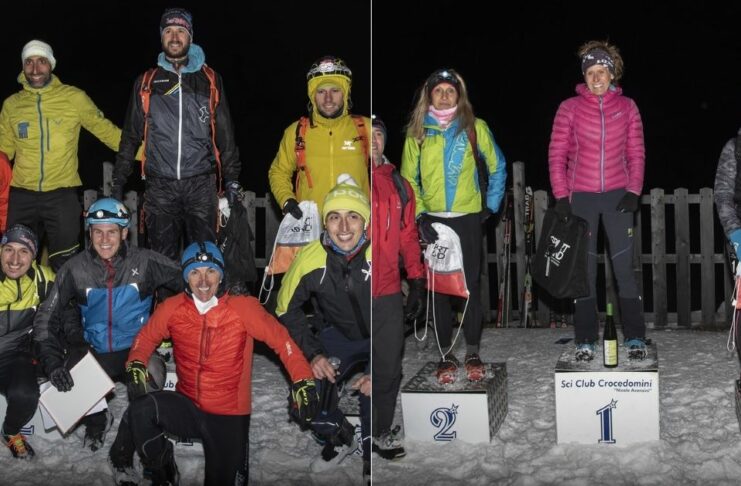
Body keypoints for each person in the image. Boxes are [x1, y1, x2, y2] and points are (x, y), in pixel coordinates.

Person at [123, 241, 317, 485]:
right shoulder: (172, 308)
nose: (203, 281)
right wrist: (135, 362)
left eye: (211, 272)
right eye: (195, 272)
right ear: (185, 277)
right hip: (187, 406)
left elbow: (282, 340)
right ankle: (163, 470)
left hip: (228, 415)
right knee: (141, 410)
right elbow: (145, 337)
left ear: (222, 275)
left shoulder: (243, 308)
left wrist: (303, 379)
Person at [32, 198, 182, 476]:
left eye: (111, 231)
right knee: (68, 384)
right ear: (89, 233)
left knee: (146, 387)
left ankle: (130, 451)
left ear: (124, 232)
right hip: (95, 349)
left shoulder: (145, 262)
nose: (104, 239)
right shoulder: (74, 269)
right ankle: (98, 419)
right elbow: (45, 319)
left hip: (138, 349)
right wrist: (53, 364)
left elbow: (192, 280)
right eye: (97, 231)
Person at [400, 68, 507, 384]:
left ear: (459, 96)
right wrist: (419, 215)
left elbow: (498, 166)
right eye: (438, 91)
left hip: (467, 218)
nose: (445, 96)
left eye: (450, 90)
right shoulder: (418, 133)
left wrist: (490, 206)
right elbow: (408, 180)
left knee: (469, 286)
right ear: (429, 96)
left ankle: (472, 351)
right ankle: (445, 354)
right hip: (433, 220)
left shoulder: (475, 127)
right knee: (438, 290)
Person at [112, 8, 243, 262]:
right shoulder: (146, 82)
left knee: (204, 259)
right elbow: (130, 136)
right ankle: (165, 290)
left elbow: (226, 135)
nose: (174, 37)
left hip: (201, 185)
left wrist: (232, 180)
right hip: (160, 187)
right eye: (168, 31)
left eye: (180, 31)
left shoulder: (210, 80)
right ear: (161, 37)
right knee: (162, 261)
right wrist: (118, 182)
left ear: (190, 37)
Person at [548, 40, 646, 361]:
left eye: (601, 71)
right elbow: (556, 155)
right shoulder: (569, 108)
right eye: (590, 72)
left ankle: (635, 336)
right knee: (584, 273)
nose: (596, 78)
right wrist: (561, 197)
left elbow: (636, 152)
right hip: (582, 199)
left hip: (619, 197)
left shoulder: (627, 107)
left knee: (623, 269)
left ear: (612, 73)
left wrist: (634, 191)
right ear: (584, 77)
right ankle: (586, 339)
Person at [276, 175, 371, 475]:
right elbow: (284, 309)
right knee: (304, 401)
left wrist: (381, 369)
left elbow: (398, 312)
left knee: (374, 394)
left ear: (365, 221)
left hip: (382, 336)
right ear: (325, 223)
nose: (343, 227)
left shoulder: (381, 252)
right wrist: (314, 353)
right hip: (339, 336)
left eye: (353, 216)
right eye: (334, 217)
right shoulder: (311, 257)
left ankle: (373, 445)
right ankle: (339, 436)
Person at [0, 40, 124, 271]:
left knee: (65, 263)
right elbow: (4, 152)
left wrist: (147, 152)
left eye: (41, 61)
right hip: (21, 196)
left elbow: (105, 130)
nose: (35, 69)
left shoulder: (73, 98)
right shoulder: (12, 105)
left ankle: (63, 296)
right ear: (23, 67)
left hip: (61, 195)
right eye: (29, 62)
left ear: (51, 64)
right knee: (16, 262)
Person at [370, 116, 424, 460]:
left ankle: (379, 431)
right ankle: (332, 428)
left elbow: (407, 235)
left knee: (389, 365)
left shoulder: (400, 185)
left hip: (389, 288)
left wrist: (416, 279)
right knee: (340, 362)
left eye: (379, 134)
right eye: (367, 135)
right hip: (350, 287)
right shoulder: (346, 177)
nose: (373, 140)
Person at [268, 55, 370, 218]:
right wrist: (287, 200)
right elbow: (278, 172)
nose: (328, 99)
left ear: (345, 93)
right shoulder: (296, 132)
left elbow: (385, 171)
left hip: (356, 225)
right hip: (311, 224)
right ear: (312, 95)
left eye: (335, 90)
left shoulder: (365, 128)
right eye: (321, 92)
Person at [0, 225, 55, 459]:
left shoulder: (44, 279)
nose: (14, 260)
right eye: (8, 249)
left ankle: (10, 431)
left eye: (23, 251)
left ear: (33, 256)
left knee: (25, 395)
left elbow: (66, 313)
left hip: (11, 355)